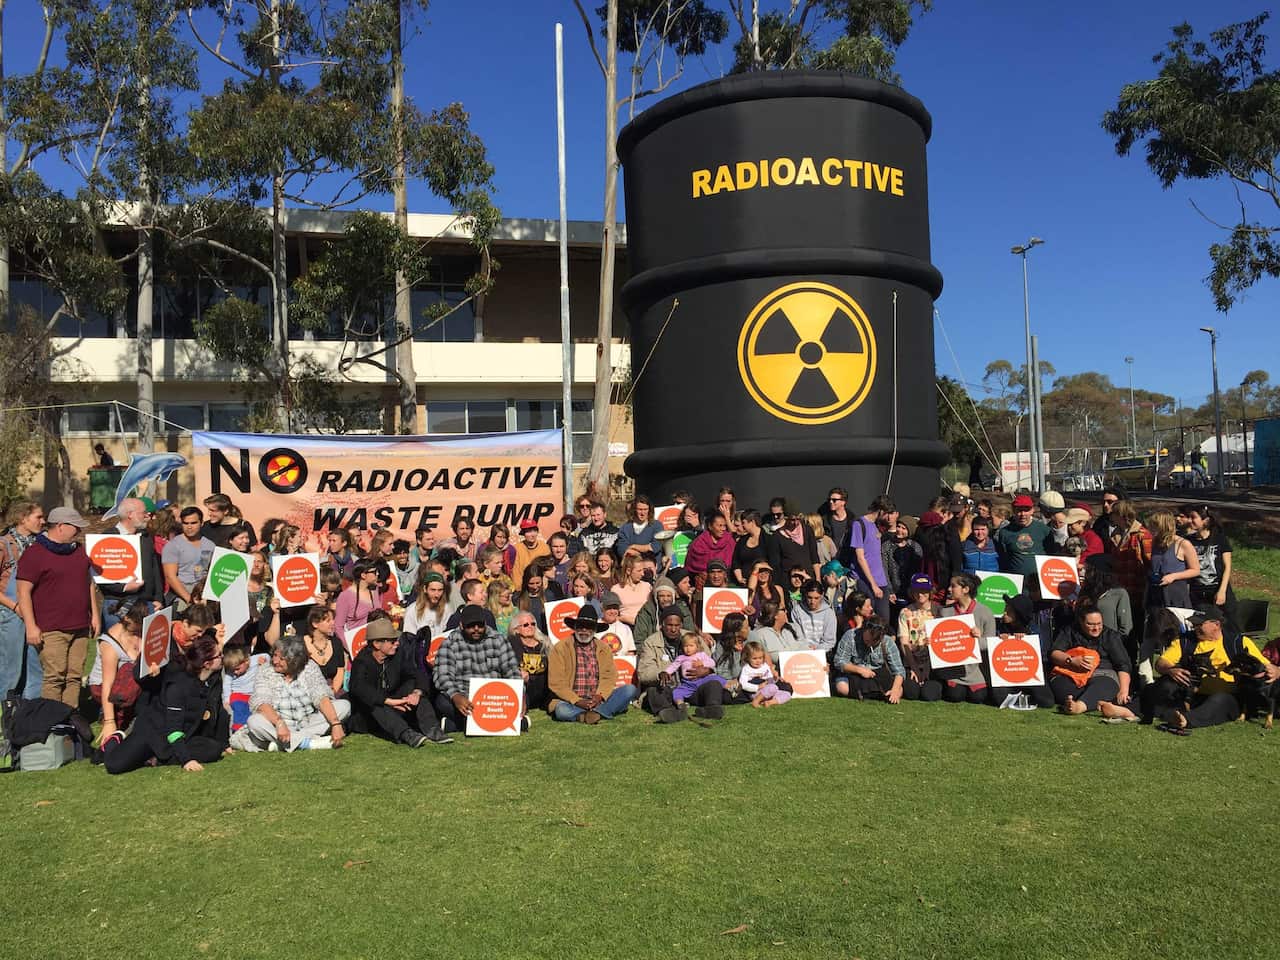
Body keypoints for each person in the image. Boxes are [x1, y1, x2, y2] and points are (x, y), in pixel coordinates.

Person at [102, 637, 227, 774]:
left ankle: (157, 759)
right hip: (154, 733)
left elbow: (219, 710)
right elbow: (173, 728)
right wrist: (186, 760)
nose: (222, 657)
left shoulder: (213, 679)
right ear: (207, 664)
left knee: (214, 750)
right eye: (219, 655)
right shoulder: (179, 686)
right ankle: (116, 740)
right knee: (114, 765)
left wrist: (224, 743)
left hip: (183, 736)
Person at [1144, 606, 1279, 731]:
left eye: (1199, 624)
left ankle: (1185, 720)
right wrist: (1170, 670)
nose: (1194, 627)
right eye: (1194, 623)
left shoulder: (1239, 642)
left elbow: (1267, 666)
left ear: (1216, 625)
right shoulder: (1185, 641)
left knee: (1220, 700)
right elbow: (1161, 663)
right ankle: (1131, 710)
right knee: (1164, 684)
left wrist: (1278, 671)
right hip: (1193, 694)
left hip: (1230, 697)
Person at [16, 506, 99, 708]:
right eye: (75, 527)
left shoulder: (78, 551)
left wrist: (95, 615)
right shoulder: (34, 554)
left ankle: (69, 718)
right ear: (61, 526)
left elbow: (88, 583)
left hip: (79, 626)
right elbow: (23, 591)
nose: (79, 531)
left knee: (74, 676)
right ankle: (51, 723)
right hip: (51, 629)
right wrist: (31, 626)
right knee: (55, 677)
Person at [347, 618, 451, 746]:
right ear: (377, 644)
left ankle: (432, 728)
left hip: (395, 705)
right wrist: (389, 701)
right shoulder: (362, 661)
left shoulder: (397, 655)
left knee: (413, 686)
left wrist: (416, 693)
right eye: (392, 641)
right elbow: (358, 687)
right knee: (374, 703)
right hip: (370, 717)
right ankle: (406, 734)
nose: (397, 643)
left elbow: (416, 673)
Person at [239, 635, 350, 751]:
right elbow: (261, 702)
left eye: (282, 659)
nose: (275, 661)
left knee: (344, 706)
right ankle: (309, 743)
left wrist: (335, 723)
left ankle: (284, 743)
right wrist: (279, 723)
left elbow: (321, 696)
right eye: (275, 655)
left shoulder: (309, 667)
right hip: (279, 724)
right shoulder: (265, 670)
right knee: (254, 721)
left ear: (295, 661)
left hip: (309, 721)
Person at [432, 604, 524, 732]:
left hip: (495, 699)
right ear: (461, 625)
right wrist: (456, 695)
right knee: (442, 701)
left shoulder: (498, 639)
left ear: (485, 623)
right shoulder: (449, 644)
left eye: (480, 625)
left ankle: (459, 725)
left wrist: (520, 694)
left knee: (525, 694)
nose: (476, 629)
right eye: (471, 626)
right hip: (466, 698)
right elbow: (443, 677)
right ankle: (507, 722)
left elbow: (511, 669)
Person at [546, 605, 637, 723]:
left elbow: (609, 676)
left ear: (594, 630)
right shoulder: (560, 648)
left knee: (629, 690)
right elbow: (556, 683)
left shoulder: (604, 648)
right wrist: (577, 701)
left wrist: (599, 696)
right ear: (575, 627)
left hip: (598, 699)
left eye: (589, 627)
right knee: (561, 710)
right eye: (580, 626)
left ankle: (592, 713)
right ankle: (598, 713)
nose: (584, 630)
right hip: (571, 701)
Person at [637, 607, 725, 722]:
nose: (673, 629)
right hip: (667, 689)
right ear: (662, 625)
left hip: (693, 687)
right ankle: (669, 712)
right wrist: (659, 675)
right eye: (669, 625)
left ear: (681, 625)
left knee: (714, 683)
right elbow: (643, 672)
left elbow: (710, 660)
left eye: (677, 625)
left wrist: (707, 670)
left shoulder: (692, 637)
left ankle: (711, 709)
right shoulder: (651, 642)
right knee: (653, 691)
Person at [1048, 605, 1135, 718]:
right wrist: (1071, 661)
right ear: (1080, 621)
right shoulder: (1069, 631)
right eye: (1091, 624)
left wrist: (1123, 690)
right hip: (1072, 673)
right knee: (1059, 685)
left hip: (1102, 673)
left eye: (1099, 624)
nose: (1096, 628)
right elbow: (1054, 653)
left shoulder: (1110, 636)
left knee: (1106, 685)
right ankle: (1092, 700)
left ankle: (1079, 706)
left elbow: (1123, 664)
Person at [0, 500, 45, 700]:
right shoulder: (4, 545)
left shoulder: (41, 545)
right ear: (22, 519)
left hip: (36, 612)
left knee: (35, 668)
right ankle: (8, 716)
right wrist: (15, 606)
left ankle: (29, 717)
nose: (43, 521)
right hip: (11, 614)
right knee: (11, 669)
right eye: (38, 517)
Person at [97, 497, 163, 627]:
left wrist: (158, 598)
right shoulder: (108, 537)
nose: (146, 516)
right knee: (117, 644)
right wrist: (124, 587)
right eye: (143, 512)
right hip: (117, 603)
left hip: (146, 603)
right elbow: (100, 574)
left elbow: (155, 569)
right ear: (130, 514)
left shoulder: (145, 537)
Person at [88, 605, 144, 739]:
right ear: (126, 619)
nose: (142, 624)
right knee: (130, 670)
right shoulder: (109, 644)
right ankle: (114, 717)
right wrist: (109, 722)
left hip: (128, 684)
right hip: (104, 687)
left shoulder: (140, 631)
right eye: (138, 621)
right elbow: (108, 684)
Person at [935, 574, 991, 705]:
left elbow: (990, 642)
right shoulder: (945, 612)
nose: (949, 589)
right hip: (953, 668)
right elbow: (941, 640)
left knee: (978, 698)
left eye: (953, 586)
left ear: (965, 589)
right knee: (955, 696)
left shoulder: (985, 612)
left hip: (976, 668)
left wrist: (976, 639)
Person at [832, 618, 911, 703]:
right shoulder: (850, 636)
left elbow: (899, 671)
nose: (869, 644)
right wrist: (859, 670)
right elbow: (839, 661)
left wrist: (895, 690)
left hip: (878, 675)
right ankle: (872, 694)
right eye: (867, 640)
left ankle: (870, 694)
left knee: (899, 690)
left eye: (874, 642)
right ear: (864, 630)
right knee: (842, 687)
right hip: (854, 673)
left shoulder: (888, 642)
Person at [1186, 504, 1237, 625]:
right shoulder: (1188, 541)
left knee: (1229, 627)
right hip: (1198, 594)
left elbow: (1227, 567)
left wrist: (1222, 591)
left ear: (1206, 521)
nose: (1189, 520)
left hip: (1218, 590)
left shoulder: (1219, 539)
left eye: (1193, 517)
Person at [896, 574, 942, 702]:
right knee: (912, 693)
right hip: (912, 662)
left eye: (924, 591)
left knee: (929, 695)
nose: (920, 594)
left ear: (930, 591)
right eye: (916, 590)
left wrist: (927, 668)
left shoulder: (939, 612)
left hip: (932, 664)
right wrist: (914, 668)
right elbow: (904, 643)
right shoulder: (905, 612)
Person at [1105, 500, 1152, 618]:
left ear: (1121, 515)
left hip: (1138, 588)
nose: (1111, 517)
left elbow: (1150, 562)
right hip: (1119, 588)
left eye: (1113, 514)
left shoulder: (1142, 534)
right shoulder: (1115, 535)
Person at [1145, 509, 1198, 611]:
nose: (1150, 529)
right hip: (1156, 594)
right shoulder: (1155, 543)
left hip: (1175, 594)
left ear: (1164, 526)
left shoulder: (1183, 544)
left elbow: (1195, 570)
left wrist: (1173, 576)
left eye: (1154, 526)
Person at [661, 631, 725, 710]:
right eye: (685, 646)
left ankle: (730, 686)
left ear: (697, 646)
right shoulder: (681, 658)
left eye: (691, 646)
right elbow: (673, 666)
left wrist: (702, 663)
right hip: (688, 683)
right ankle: (680, 703)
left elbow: (712, 663)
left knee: (716, 678)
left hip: (703, 680)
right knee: (676, 692)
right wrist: (666, 672)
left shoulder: (701, 655)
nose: (688, 649)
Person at [994, 494, 1051, 581]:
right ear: (1013, 510)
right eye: (1019, 510)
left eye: (1026, 510)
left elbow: (1051, 554)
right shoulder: (1005, 532)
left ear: (1032, 510)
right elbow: (1003, 558)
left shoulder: (1044, 530)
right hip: (1015, 581)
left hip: (1039, 581)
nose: (1022, 514)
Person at [510, 610, 552, 712]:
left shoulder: (545, 643)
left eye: (533, 624)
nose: (530, 626)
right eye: (525, 625)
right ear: (516, 630)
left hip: (544, 689)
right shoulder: (511, 644)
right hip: (525, 690)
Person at [334, 560, 381, 651]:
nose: (377, 574)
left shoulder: (374, 589)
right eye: (374, 572)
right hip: (357, 645)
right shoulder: (345, 596)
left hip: (376, 645)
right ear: (363, 575)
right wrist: (350, 647)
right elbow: (338, 626)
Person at [303, 605, 346, 698]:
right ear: (315, 624)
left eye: (333, 619)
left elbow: (340, 670)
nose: (333, 623)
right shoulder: (301, 645)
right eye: (328, 621)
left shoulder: (336, 642)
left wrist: (333, 691)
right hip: (308, 693)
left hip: (332, 689)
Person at [767, 512, 821, 587]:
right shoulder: (777, 536)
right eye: (792, 520)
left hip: (807, 579)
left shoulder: (807, 530)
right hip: (788, 581)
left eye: (798, 519)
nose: (796, 523)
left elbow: (814, 556)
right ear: (785, 518)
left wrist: (818, 579)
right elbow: (775, 564)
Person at [789, 579, 838, 655]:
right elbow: (797, 636)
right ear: (805, 595)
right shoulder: (797, 610)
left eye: (816, 598)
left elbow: (829, 641)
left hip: (823, 652)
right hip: (802, 651)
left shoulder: (829, 613)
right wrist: (806, 649)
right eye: (810, 598)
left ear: (822, 596)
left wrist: (817, 649)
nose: (812, 602)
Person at [403, 569, 454, 639]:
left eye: (440, 590)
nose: (437, 595)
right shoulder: (412, 611)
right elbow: (409, 639)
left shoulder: (447, 609)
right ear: (425, 589)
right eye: (433, 590)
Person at [684, 510, 736, 580]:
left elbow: (736, 562)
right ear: (710, 526)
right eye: (720, 526)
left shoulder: (729, 540)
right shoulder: (699, 543)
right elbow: (691, 565)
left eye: (725, 526)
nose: (723, 529)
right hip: (702, 581)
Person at [738, 640, 790, 707]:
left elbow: (770, 679)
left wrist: (775, 678)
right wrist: (757, 687)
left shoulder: (765, 666)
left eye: (760, 658)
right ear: (747, 658)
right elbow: (742, 684)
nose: (758, 661)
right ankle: (756, 701)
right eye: (754, 658)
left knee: (787, 694)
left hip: (768, 690)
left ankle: (770, 702)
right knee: (773, 688)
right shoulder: (746, 669)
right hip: (755, 693)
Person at [615, 495, 664, 559]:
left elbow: (655, 547)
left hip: (652, 566)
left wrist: (633, 546)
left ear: (649, 510)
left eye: (645, 509)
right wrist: (644, 549)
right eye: (640, 509)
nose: (642, 513)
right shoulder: (625, 528)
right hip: (633, 566)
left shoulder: (657, 525)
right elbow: (622, 549)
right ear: (634, 510)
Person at [612, 552, 652, 626]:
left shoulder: (647, 586)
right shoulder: (616, 589)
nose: (643, 574)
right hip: (625, 626)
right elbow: (612, 614)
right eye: (639, 571)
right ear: (628, 571)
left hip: (644, 626)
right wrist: (624, 619)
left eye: (643, 570)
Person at [732, 510, 770, 585]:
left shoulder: (768, 539)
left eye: (743, 523)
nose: (742, 526)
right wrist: (739, 578)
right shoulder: (742, 541)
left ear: (752, 522)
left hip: (762, 583)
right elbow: (736, 561)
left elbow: (773, 562)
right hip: (745, 583)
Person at [511, 518, 550, 588]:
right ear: (523, 533)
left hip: (541, 587)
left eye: (534, 531)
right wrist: (520, 590)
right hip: (523, 588)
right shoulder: (517, 549)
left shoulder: (545, 548)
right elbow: (516, 574)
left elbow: (548, 570)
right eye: (528, 531)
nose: (532, 534)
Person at [823, 487, 853, 567]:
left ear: (843, 502)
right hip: (829, 562)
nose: (831, 502)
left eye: (834, 500)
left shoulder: (853, 521)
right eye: (829, 499)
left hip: (847, 562)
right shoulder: (824, 521)